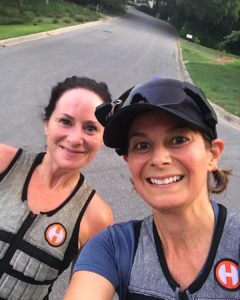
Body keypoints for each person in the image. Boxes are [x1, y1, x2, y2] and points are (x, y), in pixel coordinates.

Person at [64, 78, 240, 300]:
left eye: (178, 139)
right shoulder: (112, 247)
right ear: (129, 161)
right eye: (142, 145)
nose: (159, 159)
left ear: (212, 154)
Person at [0, 76, 114, 299]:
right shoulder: (3, 162)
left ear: (102, 138)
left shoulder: (96, 218)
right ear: (47, 123)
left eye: (90, 128)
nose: (74, 138)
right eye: (65, 121)